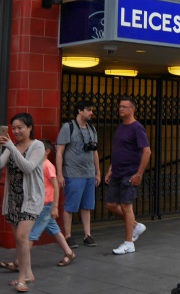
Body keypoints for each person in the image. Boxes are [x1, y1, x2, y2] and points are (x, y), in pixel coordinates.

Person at [0, 113, 45, 292]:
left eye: (20, 127)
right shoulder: (12, 146)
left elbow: (28, 167)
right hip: (14, 198)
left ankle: (22, 277)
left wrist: (10, 147)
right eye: (13, 128)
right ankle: (28, 272)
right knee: (19, 239)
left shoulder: (37, 146)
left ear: (30, 127)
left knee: (23, 237)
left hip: (31, 199)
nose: (16, 131)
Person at [105, 96, 151, 254]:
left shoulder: (137, 128)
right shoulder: (121, 127)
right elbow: (119, 150)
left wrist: (139, 174)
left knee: (126, 206)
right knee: (110, 204)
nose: (121, 109)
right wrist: (111, 169)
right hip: (117, 172)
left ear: (132, 109)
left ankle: (128, 242)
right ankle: (136, 226)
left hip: (129, 174)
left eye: (124, 107)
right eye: (120, 106)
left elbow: (147, 151)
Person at [56, 101, 101, 248]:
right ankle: (68, 235)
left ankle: (87, 234)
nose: (91, 113)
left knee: (87, 206)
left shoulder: (92, 129)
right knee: (70, 206)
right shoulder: (68, 128)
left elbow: (95, 152)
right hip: (73, 172)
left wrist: (98, 172)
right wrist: (60, 174)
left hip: (88, 173)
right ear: (80, 111)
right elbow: (60, 152)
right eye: (88, 110)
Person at [31, 141, 76, 268]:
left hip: (46, 204)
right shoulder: (39, 164)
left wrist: (55, 206)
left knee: (30, 234)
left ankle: (20, 261)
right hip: (41, 203)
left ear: (46, 151)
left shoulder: (47, 165)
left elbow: (56, 185)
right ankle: (69, 252)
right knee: (55, 229)